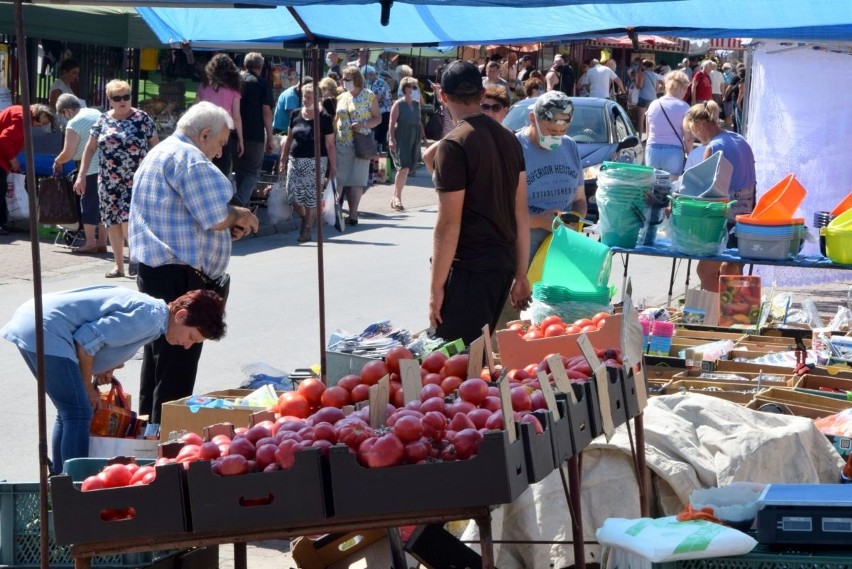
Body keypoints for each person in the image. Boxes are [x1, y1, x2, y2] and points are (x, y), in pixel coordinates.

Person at [1, 286, 226, 473]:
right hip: (46, 328)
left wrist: (102, 367)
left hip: (36, 321)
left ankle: (59, 480)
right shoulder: (149, 319)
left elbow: (98, 339)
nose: (187, 345)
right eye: (191, 337)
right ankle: (72, 485)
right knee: (79, 413)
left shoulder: (154, 315)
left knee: (70, 412)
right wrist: (88, 387)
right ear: (181, 315)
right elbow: (85, 340)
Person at [128, 101, 259, 424]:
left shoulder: (159, 153)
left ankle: (149, 428)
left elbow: (192, 215)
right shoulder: (191, 159)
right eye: (219, 144)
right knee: (178, 360)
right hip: (180, 275)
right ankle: (164, 437)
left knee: (160, 358)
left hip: (157, 270)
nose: (218, 153)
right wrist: (240, 215)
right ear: (204, 135)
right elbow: (214, 216)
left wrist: (229, 224)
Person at [429, 60, 531, 345]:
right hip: (501, 266)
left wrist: (436, 288)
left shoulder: (454, 143)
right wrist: (521, 272)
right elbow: (520, 212)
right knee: (477, 360)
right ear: (482, 91)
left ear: (443, 96)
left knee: (455, 363)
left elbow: (448, 225)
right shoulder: (509, 139)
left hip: (468, 269)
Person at [75, 80, 159, 279]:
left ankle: (135, 259)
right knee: (112, 221)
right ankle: (119, 265)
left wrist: (157, 172)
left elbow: (155, 146)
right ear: (110, 100)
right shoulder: (103, 119)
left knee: (127, 218)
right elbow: (90, 148)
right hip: (108, 180)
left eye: (126, 97)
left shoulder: (142, 118)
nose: (123, 101)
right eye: (117, 98)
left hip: (135, 178)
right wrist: (81, 175)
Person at [683, 101, 756, 292]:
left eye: (693, 131)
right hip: (747, 219)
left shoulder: (713, 148)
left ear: (699, 125)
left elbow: (708, 193)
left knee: (705, 271)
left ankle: (712, 316)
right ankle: (732, 315)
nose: (695, 136)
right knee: (732, 268)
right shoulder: (740, 139)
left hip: (725, 217)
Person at [517, 91, 586, 261]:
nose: (557, 136)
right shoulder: (514, 148)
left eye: (563, 130)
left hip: (562, 254)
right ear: (533, 119)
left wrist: (576, 219)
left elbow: (580, 200)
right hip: (523, 257)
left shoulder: (570, 146)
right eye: (551, 130)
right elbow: (501, 213)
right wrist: (539, 221)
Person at [279, 83, 336, 242]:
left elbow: (330, 144)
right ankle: (307, 218)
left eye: (309, 97)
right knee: (293, 196)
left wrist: (333, 167)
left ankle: (306, 228)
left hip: (315, 162)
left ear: (317, 98)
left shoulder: (324, 118)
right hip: (295, 160)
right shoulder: (295, 114)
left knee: (311, 197)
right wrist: (283, 160)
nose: (305, 99)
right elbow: (289, 138)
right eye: (304, 96)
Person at [53, 94, 106, 253]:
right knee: (104, 206)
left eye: (62, 114)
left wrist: (57, 162)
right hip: (107, 167)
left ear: (66, 111)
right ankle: (102, 242)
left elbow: (68, 153)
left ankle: (90, 242)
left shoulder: (73, 123)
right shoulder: (96, 113)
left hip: (90, 168)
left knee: (88, 203)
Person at [336, 66, 381, 225]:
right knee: (339, 178)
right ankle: (336, 211)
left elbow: (378, 118)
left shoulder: (369, 96)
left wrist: (363, 124)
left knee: (357, 179)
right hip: (342, 142)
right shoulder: (341, 96)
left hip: (361, 143)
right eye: (342, 78)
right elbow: (336, 118)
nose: (343, 81)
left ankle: (353, 214)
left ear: (356, 79)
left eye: (347, 79)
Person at [0, 104, 54, 235]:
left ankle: (2, 222)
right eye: (39, 123)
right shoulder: (23, 119)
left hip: (3, 158)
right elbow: (4, 139)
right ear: (36, 115)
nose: (38, 126)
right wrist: (13, 160)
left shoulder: (20, 109)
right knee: (0, 189)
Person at [233, 52, 274, 207]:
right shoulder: (262, 84)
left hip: (235, 133)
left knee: (240, 171)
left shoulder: (236, 81)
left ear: (245, 64)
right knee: (253, 171)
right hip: (255, 133)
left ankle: (242, 207)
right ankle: (240, 200)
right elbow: (266, 113)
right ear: (261, 66)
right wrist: (270, 137)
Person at [196, 53, 244, 178]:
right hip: (223, 133)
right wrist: (241, 139)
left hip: (204, 133)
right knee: (221, 172)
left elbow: (196, 110)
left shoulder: (202, 87)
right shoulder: (233, 89)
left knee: (202, 170)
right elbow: (236, 117)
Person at [388, 77, 428, 212]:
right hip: (401, 136)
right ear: (406, 88)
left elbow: (419, 122)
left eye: (416, 88)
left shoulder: (416, 104)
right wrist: (391, 139)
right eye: (414, 87)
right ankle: (397, 197)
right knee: (403, 167)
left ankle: (395, 197)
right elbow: (391, 123)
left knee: (407, 169)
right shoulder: (398, 104)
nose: (416, 90)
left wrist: (424, 138)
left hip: (414, 137)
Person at [645, 71, 692, 177]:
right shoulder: (685, 107)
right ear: (682, 88)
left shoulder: (653, 104)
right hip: (673, 151)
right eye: (686, 89)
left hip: (652, 149)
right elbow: (688, 138)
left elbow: (648, 132)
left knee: (652, 187)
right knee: (672, 187)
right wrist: (690, 155)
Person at [365, 66, 393, 151]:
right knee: (380, 136)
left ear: (370, 75)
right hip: (382, 112)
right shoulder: (375, 83)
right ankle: (380, 158)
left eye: (366, 76)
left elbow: (376, 98)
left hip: (383, 112)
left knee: (379, 136)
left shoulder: (379, 82)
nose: (366, 79)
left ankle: (381, 161)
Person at [635, 59, 663, 139]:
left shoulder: (642, 74)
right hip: (653, 99)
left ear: (645, 66)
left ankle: (640, 137)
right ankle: (649, 137)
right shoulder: (655, 75)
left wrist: (636, 83)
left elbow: (639, 86)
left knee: (641, 119)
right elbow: (657, 89)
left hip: (643, 97)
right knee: (651, 119)